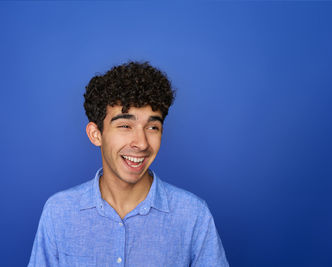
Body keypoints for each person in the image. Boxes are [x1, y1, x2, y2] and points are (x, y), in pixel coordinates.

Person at [28, 61, 229, 266]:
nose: (141, 143)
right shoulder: (59, 212)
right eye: (125, 125)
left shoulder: (193, 215)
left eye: (152, 127)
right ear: (95, 134)